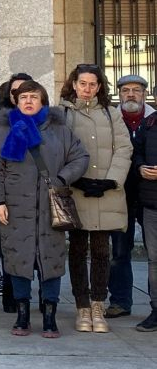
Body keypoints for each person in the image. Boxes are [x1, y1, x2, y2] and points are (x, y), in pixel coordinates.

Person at [0, 79, 89, 338]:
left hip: (49, 207)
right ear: (16, 102)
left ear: (43, 100)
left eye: (34, 97)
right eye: (23, 98)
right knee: (18, 257)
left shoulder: (59, 130)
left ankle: (50, 314)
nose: (28, 101)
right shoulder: (3, 132)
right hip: (14, 206)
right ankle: (22, 314)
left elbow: (81, 157)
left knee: (50, 257)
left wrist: (63, 178)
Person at [59, 64, 131, 334]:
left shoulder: (112, 114)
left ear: (100, 86)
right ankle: (82, 307)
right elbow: (58, 148)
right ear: (74, 84)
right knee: (77, 251)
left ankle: (98, 305)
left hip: (106, 192)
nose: (87, 89)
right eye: (82, 83)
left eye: (93, 84)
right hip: (76, 190)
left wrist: (110, 180)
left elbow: (124, 148)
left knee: (102, 251)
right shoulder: (63, 113)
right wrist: (74, 178)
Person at [0, 72, 32, 312]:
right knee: (1, 239)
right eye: (15, 91)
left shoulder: (42, 119)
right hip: (1, 189)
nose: (20, 95)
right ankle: (4, 284)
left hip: (31, 191)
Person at [108, 74, 153, 319]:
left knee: (154, 252)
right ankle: (120, 302)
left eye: (136, 90)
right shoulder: (112, 119)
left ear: (144, 94)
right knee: (119, 251)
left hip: (150, 196)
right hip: (119, 194)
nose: (131, 94)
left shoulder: (153, 120)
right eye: (126, 90)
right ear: (119, 94)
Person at [132, 89, 157, 332]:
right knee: (154, 261)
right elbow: (136, 152)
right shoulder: (149, 123)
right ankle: (156, 310)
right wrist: (140, 167)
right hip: (152, 204)